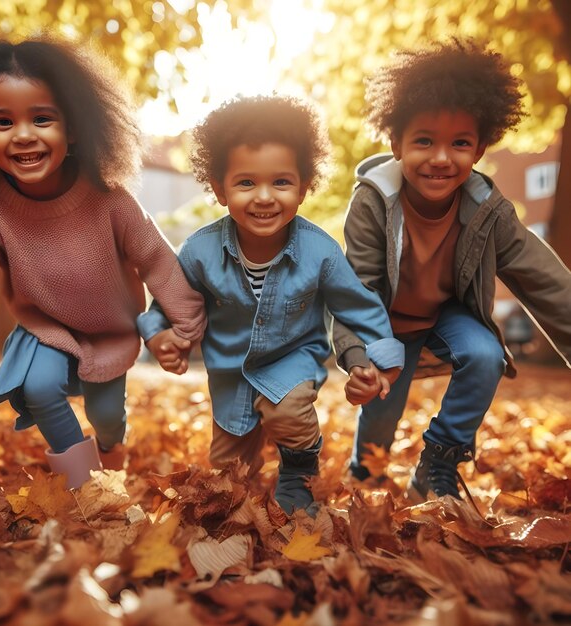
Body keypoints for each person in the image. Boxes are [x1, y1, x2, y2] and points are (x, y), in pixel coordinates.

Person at [0, 33, 206, 489]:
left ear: (76, 126)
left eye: (43, 118)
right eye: (1, 122)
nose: (23, 134)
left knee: (107, 418)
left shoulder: (109, 199)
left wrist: (185, 328)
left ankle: (110, 447)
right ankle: (86, 484)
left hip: (110, 331)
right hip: (45, 329)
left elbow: (158, 261)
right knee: (40, 387)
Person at [137, 94, 404, 515]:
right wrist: (159, 335)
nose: (264, 197)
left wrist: (380, 361)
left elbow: (360, 307)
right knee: (228, 473)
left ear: (303, 187)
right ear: (221, 189)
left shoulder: (321, 251)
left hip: (292, 360)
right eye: (246, 183)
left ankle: (299, 471)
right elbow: (172, 300)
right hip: (230, 374)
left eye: (281, 182)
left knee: (289, 411)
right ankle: (243, 490)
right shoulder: (200, 250)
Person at [333, 38, 571, 502]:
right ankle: (366, 474)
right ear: (395, 142)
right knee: (381, 412)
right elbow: (356, 288)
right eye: (424, 141)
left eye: (459, 143)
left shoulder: (488, 209)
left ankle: (439, 461)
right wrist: (360, 357)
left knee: (486, 354)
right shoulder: (372, 202)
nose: (441, 158)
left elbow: (544, 277)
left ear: (480, 148)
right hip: (385, 323)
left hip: (446, 316)